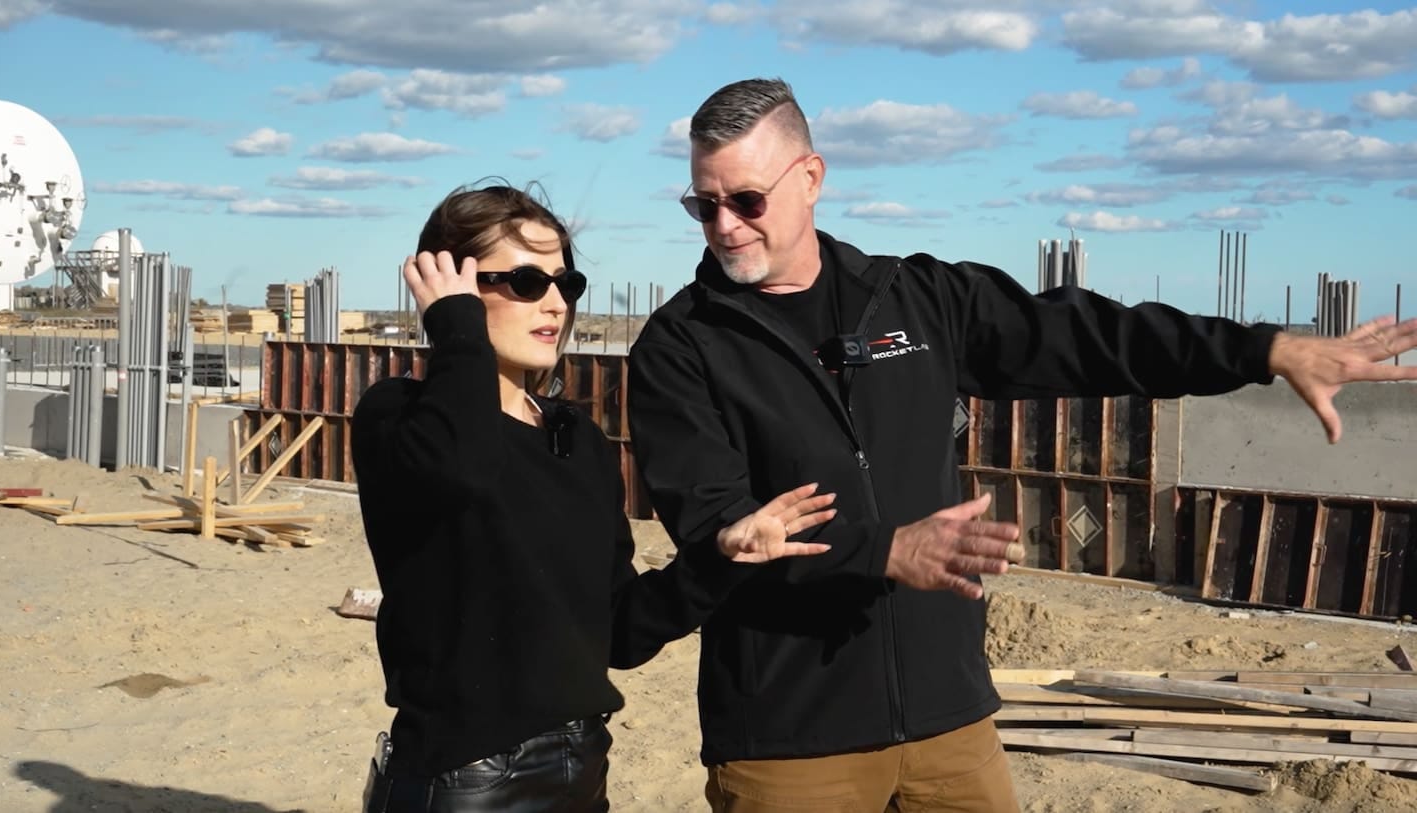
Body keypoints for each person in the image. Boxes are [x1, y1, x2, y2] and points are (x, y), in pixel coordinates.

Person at [626, 77, 1417, 812]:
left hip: (949, 722)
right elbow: (715, 522)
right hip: (791, 741)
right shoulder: (681, 347)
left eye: (748, 199)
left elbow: (1094, 337)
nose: (726, 225)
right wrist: (881, 552)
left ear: (810, 177)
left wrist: (1265, 352)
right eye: (705, 205)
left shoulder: (915, 298)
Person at [349, 180, 837, 812]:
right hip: (462, 782)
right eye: (525, 282)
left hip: (581, 775)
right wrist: (455, 330)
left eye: (566, 283)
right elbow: (463, 470)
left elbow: (618, 635)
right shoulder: (397, 417)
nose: (554, 303)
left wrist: (720, 557)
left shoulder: (574, 438)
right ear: (452, 289)